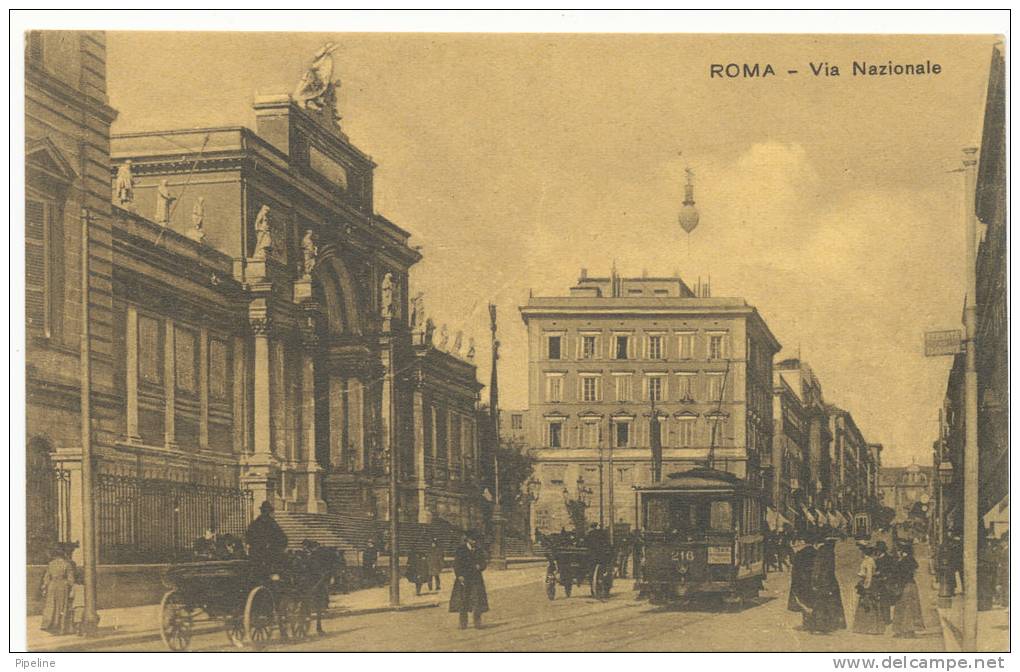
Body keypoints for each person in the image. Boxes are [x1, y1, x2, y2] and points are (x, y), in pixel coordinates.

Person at [449, 531, 489, 629]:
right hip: (464, 578)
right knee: (463, 600)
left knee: (477, 600)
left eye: (476, 540)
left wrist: (481, 566)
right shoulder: (461, 550)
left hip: (476, 579)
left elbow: (484, 563)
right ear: (468, 539)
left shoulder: (479, 550)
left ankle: (477, 622)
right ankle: (463, 623)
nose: (474, 542)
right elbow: (456, 564)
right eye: (472, 539)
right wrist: (459, 575)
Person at [809, 537, 846, 633]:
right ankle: (825, 625)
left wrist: (815, 581)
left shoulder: (824, 552)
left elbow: (818, 569)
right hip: (827, 582)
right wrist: (818, 581)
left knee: (824, 603)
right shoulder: (827, 552)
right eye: (833, 542)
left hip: (826, 581)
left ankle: (824, 625)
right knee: (826, 603)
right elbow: (820, 569)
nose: (834, 545)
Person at [245, 501, 288, 576]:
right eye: (265, 511)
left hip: (269, 552)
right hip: (258, 552)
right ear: (262, 511)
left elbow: (282, 537)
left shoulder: (272, 523)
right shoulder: (256, 523)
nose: (266, 513)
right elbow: (249, 537)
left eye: (267, 511)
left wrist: (275, 545)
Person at [39, 545, 75, 634]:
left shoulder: (51, 564)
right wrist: (72, 588)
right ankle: (61, 628)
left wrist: (44, 587)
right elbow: (71, 579)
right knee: (62, 606)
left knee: (51, 606)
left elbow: (46, 577)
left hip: (52, 586)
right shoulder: (67, 564)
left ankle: (50, 626)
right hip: (63, 586)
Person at [891, 540, 924, 637]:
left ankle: (904, 630)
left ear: (902, 551)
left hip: (904, 585)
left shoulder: (903, 561)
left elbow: (900, 574)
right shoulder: (910, 559)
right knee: (910, 607)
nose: (897, 552)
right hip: (911, 585)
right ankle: (907, 630)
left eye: (898, 550)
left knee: (904, 607)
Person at [852, 543, 885, 634]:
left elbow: (869, 574)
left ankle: (870, 627)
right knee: (866, 604)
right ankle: (865, 627)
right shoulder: (867, 560)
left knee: (868, 603)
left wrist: (866, 586)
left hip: (868, 583)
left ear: (864, 552)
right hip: (866, 582)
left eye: (861, 551)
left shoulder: (869, 561)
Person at [788, 534, 817, 630]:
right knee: (812, 601)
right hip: (812, 580)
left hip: (801, 581)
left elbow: (795, 567)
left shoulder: (800, 553)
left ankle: (806, 623)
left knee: (803, 602)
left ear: (803, 542)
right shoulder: (815, 552)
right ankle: (813, 623)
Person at [873, 541, 895, 625]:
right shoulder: (878, 559)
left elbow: (892, 570)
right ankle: (883, 619)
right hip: (880, 582)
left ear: (880, 551)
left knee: (885, 601)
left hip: (886, 582)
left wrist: (883, 575)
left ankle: (886, 620)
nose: (876, 552)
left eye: (877, 550)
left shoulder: (888, 559)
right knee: (881, 601)